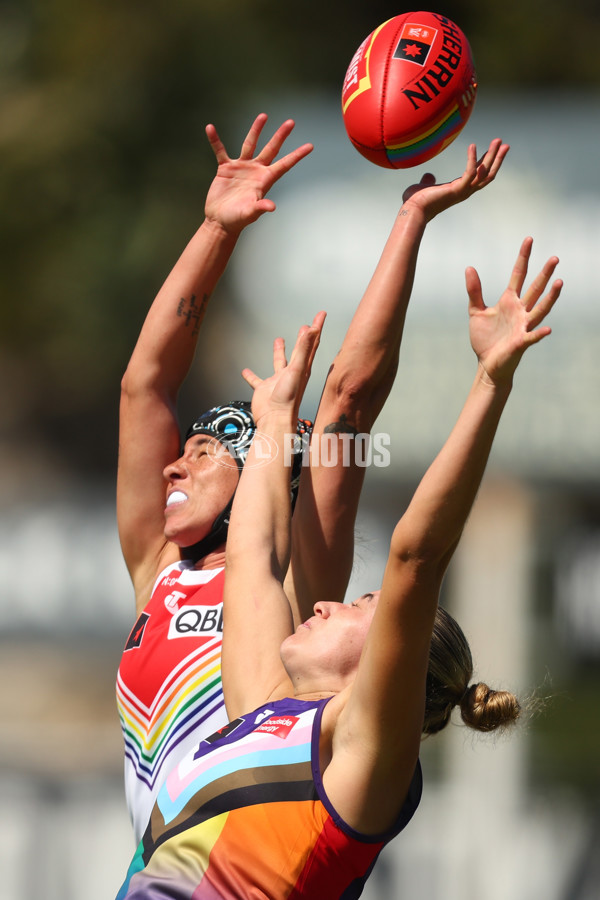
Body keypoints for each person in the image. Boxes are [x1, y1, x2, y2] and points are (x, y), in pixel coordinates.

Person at [116, 237, 562, 899]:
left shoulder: (362, 754)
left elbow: (415, 554)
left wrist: (490, 381)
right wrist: (271, 423)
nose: (327, 603)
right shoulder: (261, 708)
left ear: (389, 657)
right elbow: (255, 559)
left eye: (359, 606)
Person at [116, 111, 509, 842]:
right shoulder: (158, 571)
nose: (176, 460)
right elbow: (144, 387)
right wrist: (217, 230)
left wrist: (411, 220)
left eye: (207, 451)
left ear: (267, 478)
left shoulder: (301, 590)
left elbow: (348, 405)